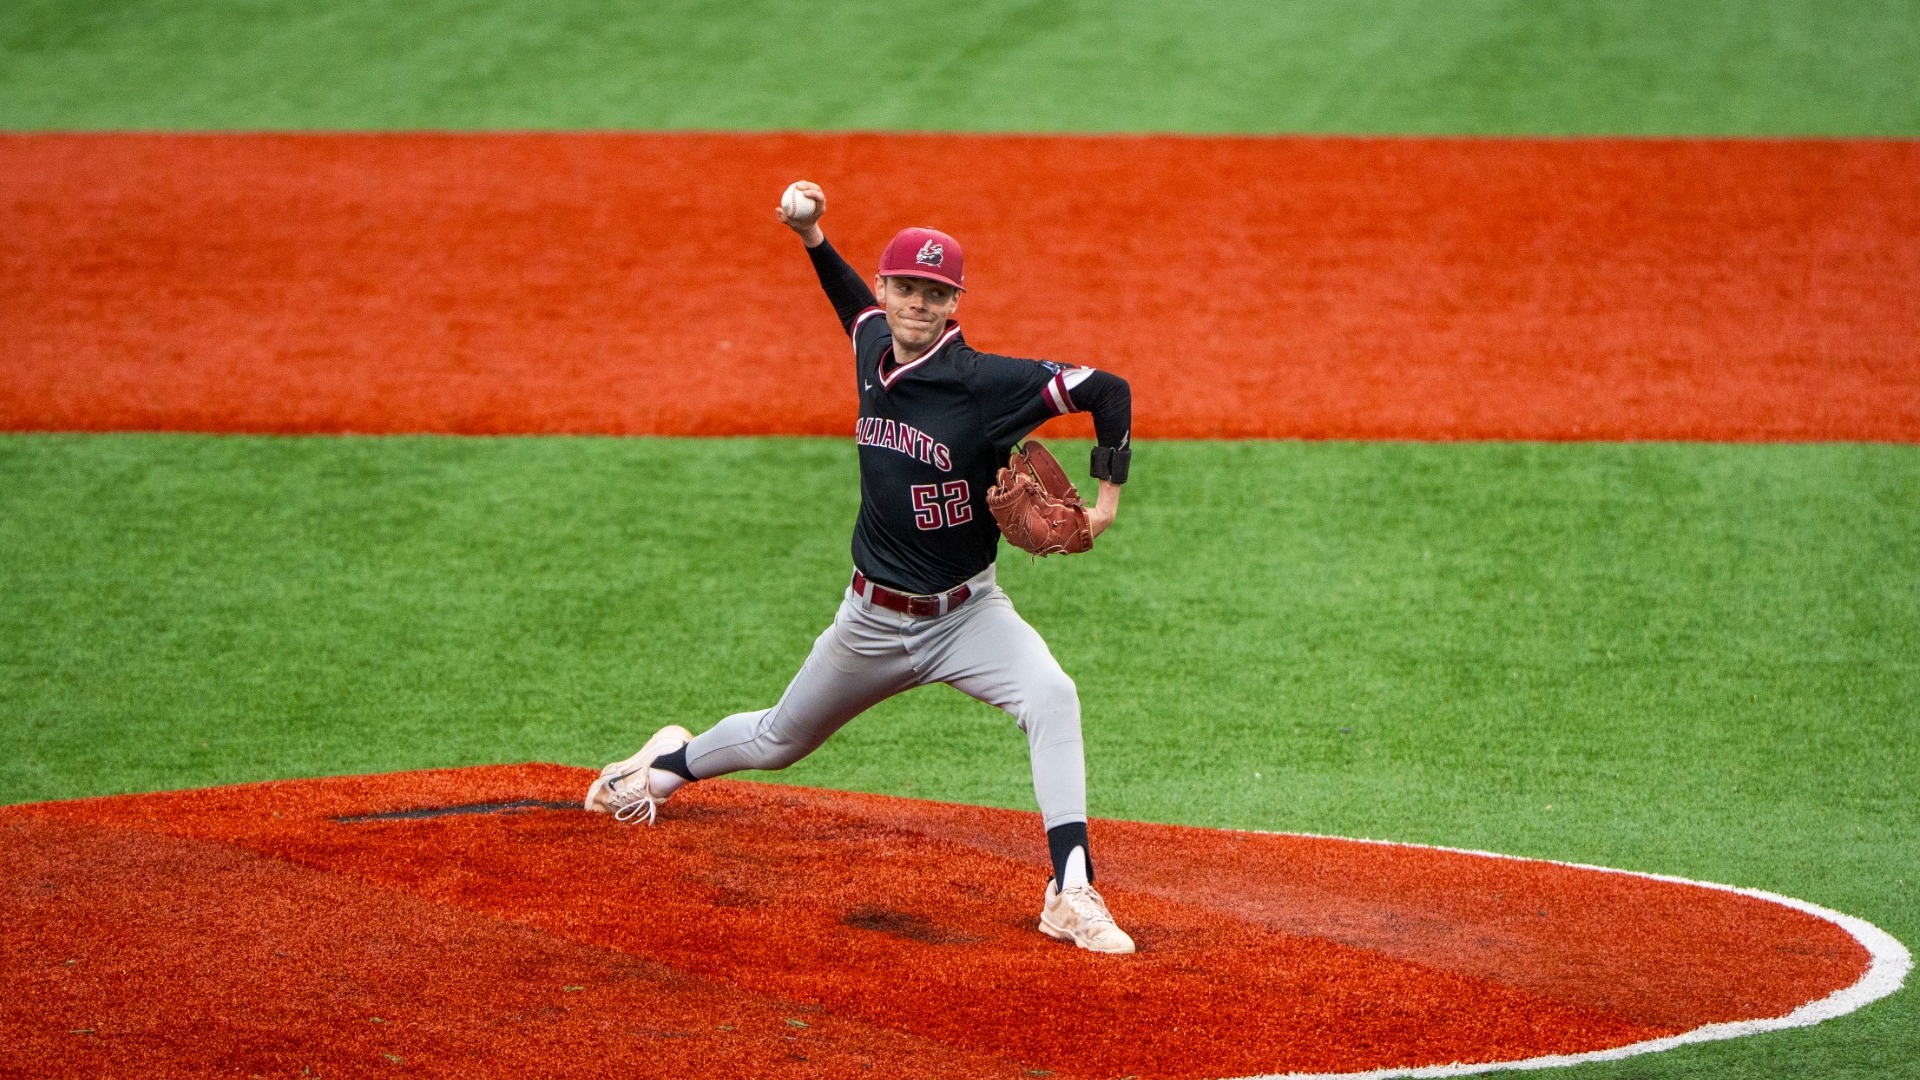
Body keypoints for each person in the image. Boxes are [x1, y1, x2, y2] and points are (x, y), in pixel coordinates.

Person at [586, 181, 1137, 954]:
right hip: (871, 621)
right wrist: (812, 236)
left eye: (935, 292)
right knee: (778, 739)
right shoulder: (871, 342)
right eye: (906, 286)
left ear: (954, 304)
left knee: (1053, 694)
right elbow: (845, 302)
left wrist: (1107, 495)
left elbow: (1107, 389)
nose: (917, 302)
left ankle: (1070, 891)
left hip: (968, 616)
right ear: (887, 291)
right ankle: (660, 769)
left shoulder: (985, 385)